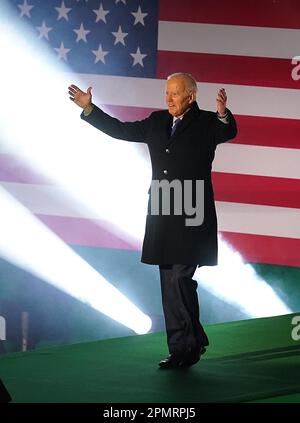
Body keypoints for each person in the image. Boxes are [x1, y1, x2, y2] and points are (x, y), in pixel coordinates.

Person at [68, 73, 237, 369]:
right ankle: (179, 348)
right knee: (168, 281)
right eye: (167, 92)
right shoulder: (157, 121)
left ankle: (193, 342)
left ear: (190, 96)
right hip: (162, 207)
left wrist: (223, 114)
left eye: (175, 93)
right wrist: (89, 109)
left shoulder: (207, 122)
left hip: (191, 208)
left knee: (182, 277)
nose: (169, 98)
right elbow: (120, 130)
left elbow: (227, 132)